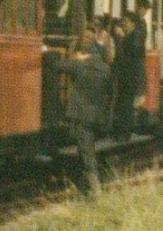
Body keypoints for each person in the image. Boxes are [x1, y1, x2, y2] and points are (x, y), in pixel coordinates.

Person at [58, 24, 110, 196]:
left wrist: (44, 50)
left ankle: (95, 190)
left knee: (86, 151)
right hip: (96, 115)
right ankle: (83, 188)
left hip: (81, 115)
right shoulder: (104, 67)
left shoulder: (79, 65)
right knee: (85, 149)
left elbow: (57, 66)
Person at [110, 11, 146, 139]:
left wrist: (122, 38)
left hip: (130, 77)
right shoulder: (132, 35)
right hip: (126, 76)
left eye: (126, 21)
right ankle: (123, 132)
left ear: (132, 23)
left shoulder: (135, 36)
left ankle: (125, 133)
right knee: (124, 105)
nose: (123, 24)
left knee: (126, 105)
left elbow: (132, 54)